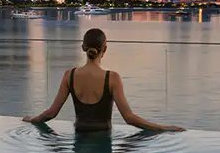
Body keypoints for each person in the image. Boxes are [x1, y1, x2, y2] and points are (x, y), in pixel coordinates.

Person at [23, 28, 183, 132]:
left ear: (83, 48)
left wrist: (33, 119)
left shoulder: (69, 75)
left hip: (79, 135)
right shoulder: (112, 78)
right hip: (103, 138)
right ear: (104, 49)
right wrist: (163, 128)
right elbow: (129, 118)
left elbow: (52, 113)